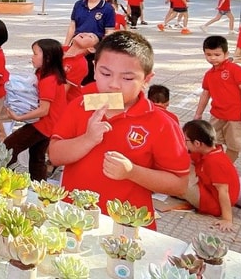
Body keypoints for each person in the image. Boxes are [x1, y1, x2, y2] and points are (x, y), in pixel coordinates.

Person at [48, 32, 190, 226]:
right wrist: (87, 139)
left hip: (127, 227)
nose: (114, 84)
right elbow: (55, 155)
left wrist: (132, 172)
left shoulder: (162, 123)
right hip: (73, 219)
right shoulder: (80, 105)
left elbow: (179, 184)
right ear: (94, 69)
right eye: (106, 74)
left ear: (147, 79)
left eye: (127, 78)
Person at [4, 38, 68, 180]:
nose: (32, 57)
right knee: (37, 158)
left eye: (35, 54)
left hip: (43, 125)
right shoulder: (43, 73)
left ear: (48, 57)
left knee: (8, 148)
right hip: (49, 124)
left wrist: (19, 118)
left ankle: (7, 179)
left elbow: (43, 110)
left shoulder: (49, 79)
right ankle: (39, 187)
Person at [193, 35, 241, 162]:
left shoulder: (235, 70)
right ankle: (216, 162)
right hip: (217, 114)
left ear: (226, 54)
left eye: (217, 54)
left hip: (236, 116)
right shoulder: (209, 74)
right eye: (208, 54)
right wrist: (198, 113)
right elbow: (205, 94)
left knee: (234, 144)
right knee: (213, 141)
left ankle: (227, 166)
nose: (212, 58)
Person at [182, 120, 240, 232]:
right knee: (181, 165)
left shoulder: (215, 162)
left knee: (180, 181)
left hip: (213, 203)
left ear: (197, 143)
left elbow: (223, 191)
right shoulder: (206, 150)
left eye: (186, 140)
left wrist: (227, 219)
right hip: (206, 188)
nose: (185, 143)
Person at [64, 0, 115, 85]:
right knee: (69, 80)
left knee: (89, 82)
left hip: (94, 50)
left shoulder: (107, 9)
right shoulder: (78, 5)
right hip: (76, 47)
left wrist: (104, 51)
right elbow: (72, 26)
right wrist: (66, 46)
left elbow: (109, 32)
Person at [62, 33, 97, 101]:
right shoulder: (59, 50)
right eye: (85, 32)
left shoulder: (81, 64)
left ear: (91, 49)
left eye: (90, 36)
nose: (84, 34)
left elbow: (62, 92)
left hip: (64, 104)